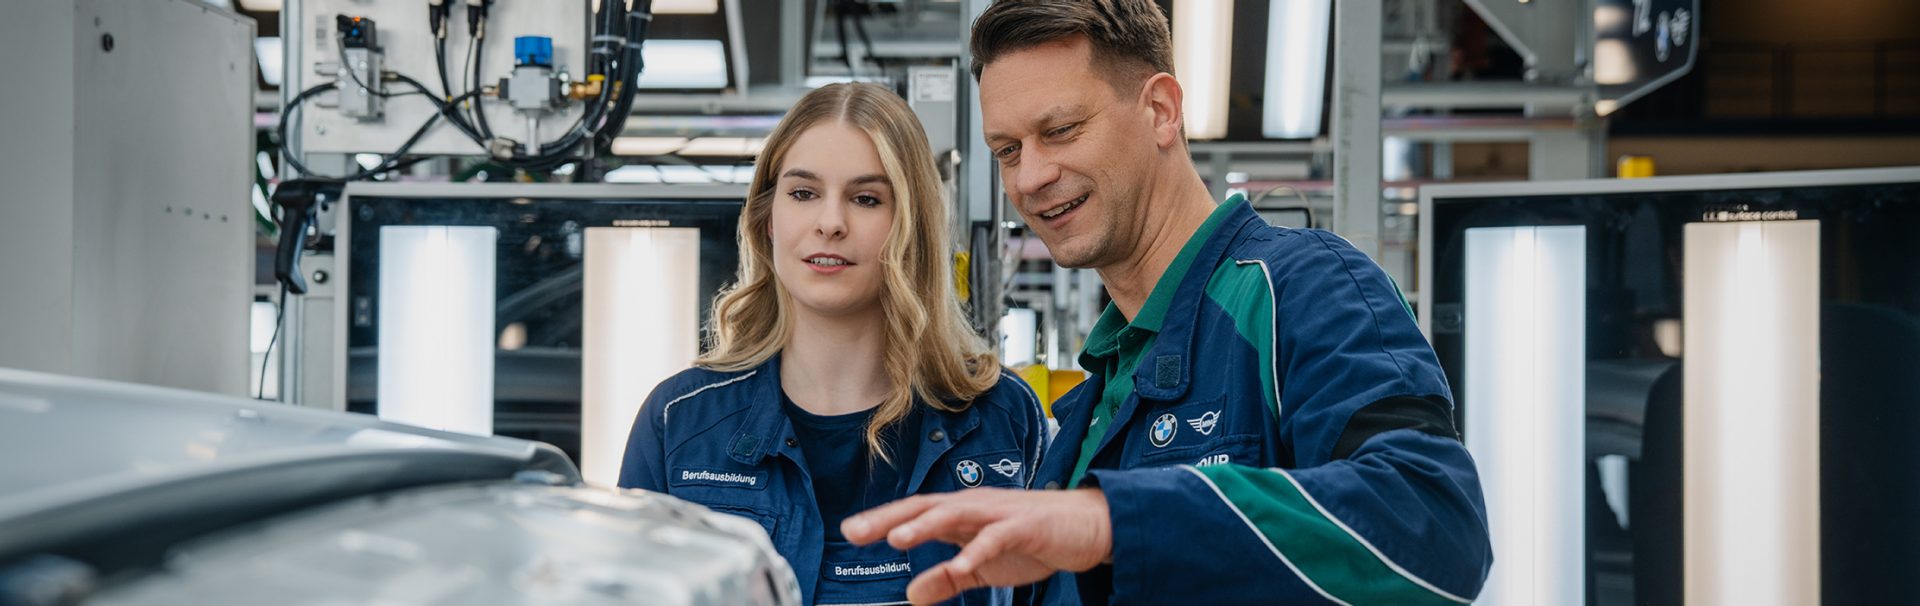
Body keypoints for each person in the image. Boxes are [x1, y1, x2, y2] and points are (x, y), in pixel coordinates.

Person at [841, 2, 1494, 604]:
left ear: (1160, 110)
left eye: (1061, 130)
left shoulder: (1295, 289)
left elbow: (1434, 525)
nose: (1031, 178)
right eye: (1008, 151)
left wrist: (1112, 520)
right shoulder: (1087, 410)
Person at [620, 82, 1047, 606]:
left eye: (866, 199)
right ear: (767, 219)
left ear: (911, 226)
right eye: (803, 193)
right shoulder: (678, 422)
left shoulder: (1005, 417)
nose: (830, 223)